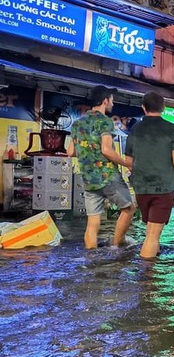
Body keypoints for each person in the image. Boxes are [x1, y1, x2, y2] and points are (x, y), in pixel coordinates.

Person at [67, 85, 135, 249]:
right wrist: (127, 163)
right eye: (112, 99)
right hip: (108, 177)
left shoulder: (78, 124)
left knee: (93, 221)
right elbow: (106, 150)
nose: (113, 103)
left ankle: (91, 255)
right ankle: (117, 244)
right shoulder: (105, 122)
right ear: (105, 101)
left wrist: (88, 153)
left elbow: (71, 152)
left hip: (88, 179)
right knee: (129, 209)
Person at [125, 92, 174, 258]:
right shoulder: (173, 130)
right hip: (163, 188)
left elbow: (129, 161)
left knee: (150, 230)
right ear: (164, 107)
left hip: (141, 187)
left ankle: (151, 265)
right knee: (153, 235)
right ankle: (147, 279)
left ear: (143, 108)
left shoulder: (135, 129)